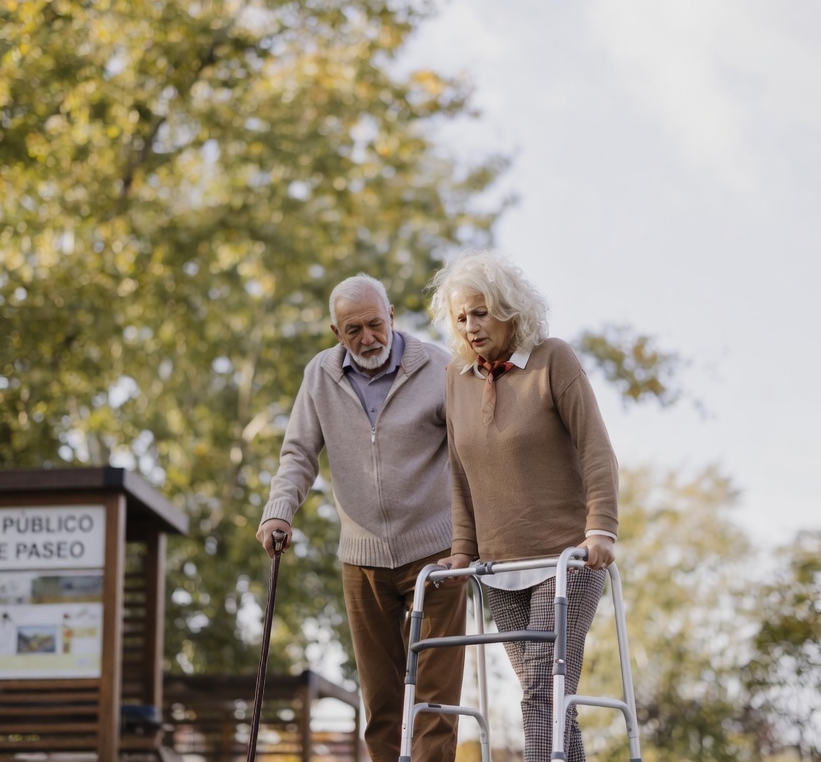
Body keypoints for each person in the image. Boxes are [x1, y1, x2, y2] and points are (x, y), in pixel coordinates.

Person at [256, 273, 467, 762]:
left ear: (392, 316)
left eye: (375, 324)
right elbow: (298, 455)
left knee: (434, 697)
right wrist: (278, 512)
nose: (367, 338)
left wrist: (475, 536)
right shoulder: (320, 376)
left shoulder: (438, 366)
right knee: (382, 701)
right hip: (363, 556)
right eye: (354, 330)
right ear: (336, 333)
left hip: (436, 551)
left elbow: (472, 453)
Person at [429, 251, 619, 762]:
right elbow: (458, 472)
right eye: (462, 317)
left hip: (564, 559)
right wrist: (463, 551)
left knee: (541, 691)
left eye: (481, 312)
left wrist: (601, 527)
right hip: (499, 566)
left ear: (510, 310)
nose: (471, 326)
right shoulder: (456, 378)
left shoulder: (553, 359)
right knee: (549, 700)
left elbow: (596, 448)